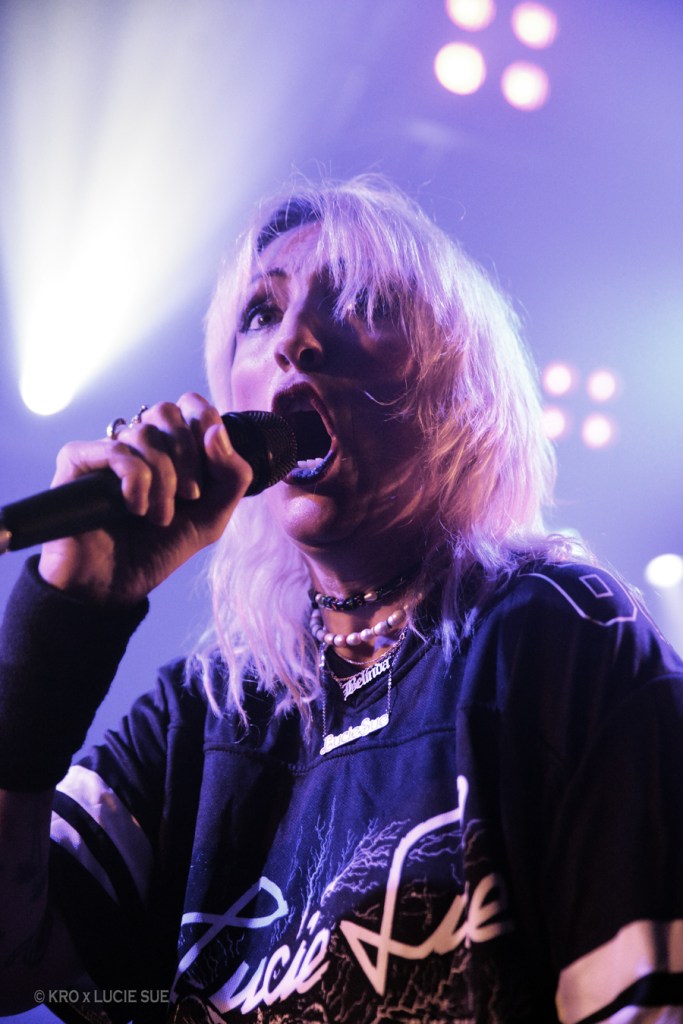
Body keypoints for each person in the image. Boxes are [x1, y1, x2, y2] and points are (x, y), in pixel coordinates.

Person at [1, 176, 683, 1024]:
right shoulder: (205, 714)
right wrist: (63, 622)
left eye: (360, 301)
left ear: (456, 387)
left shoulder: (554, 633)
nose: (293, 339)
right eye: (261, 312)